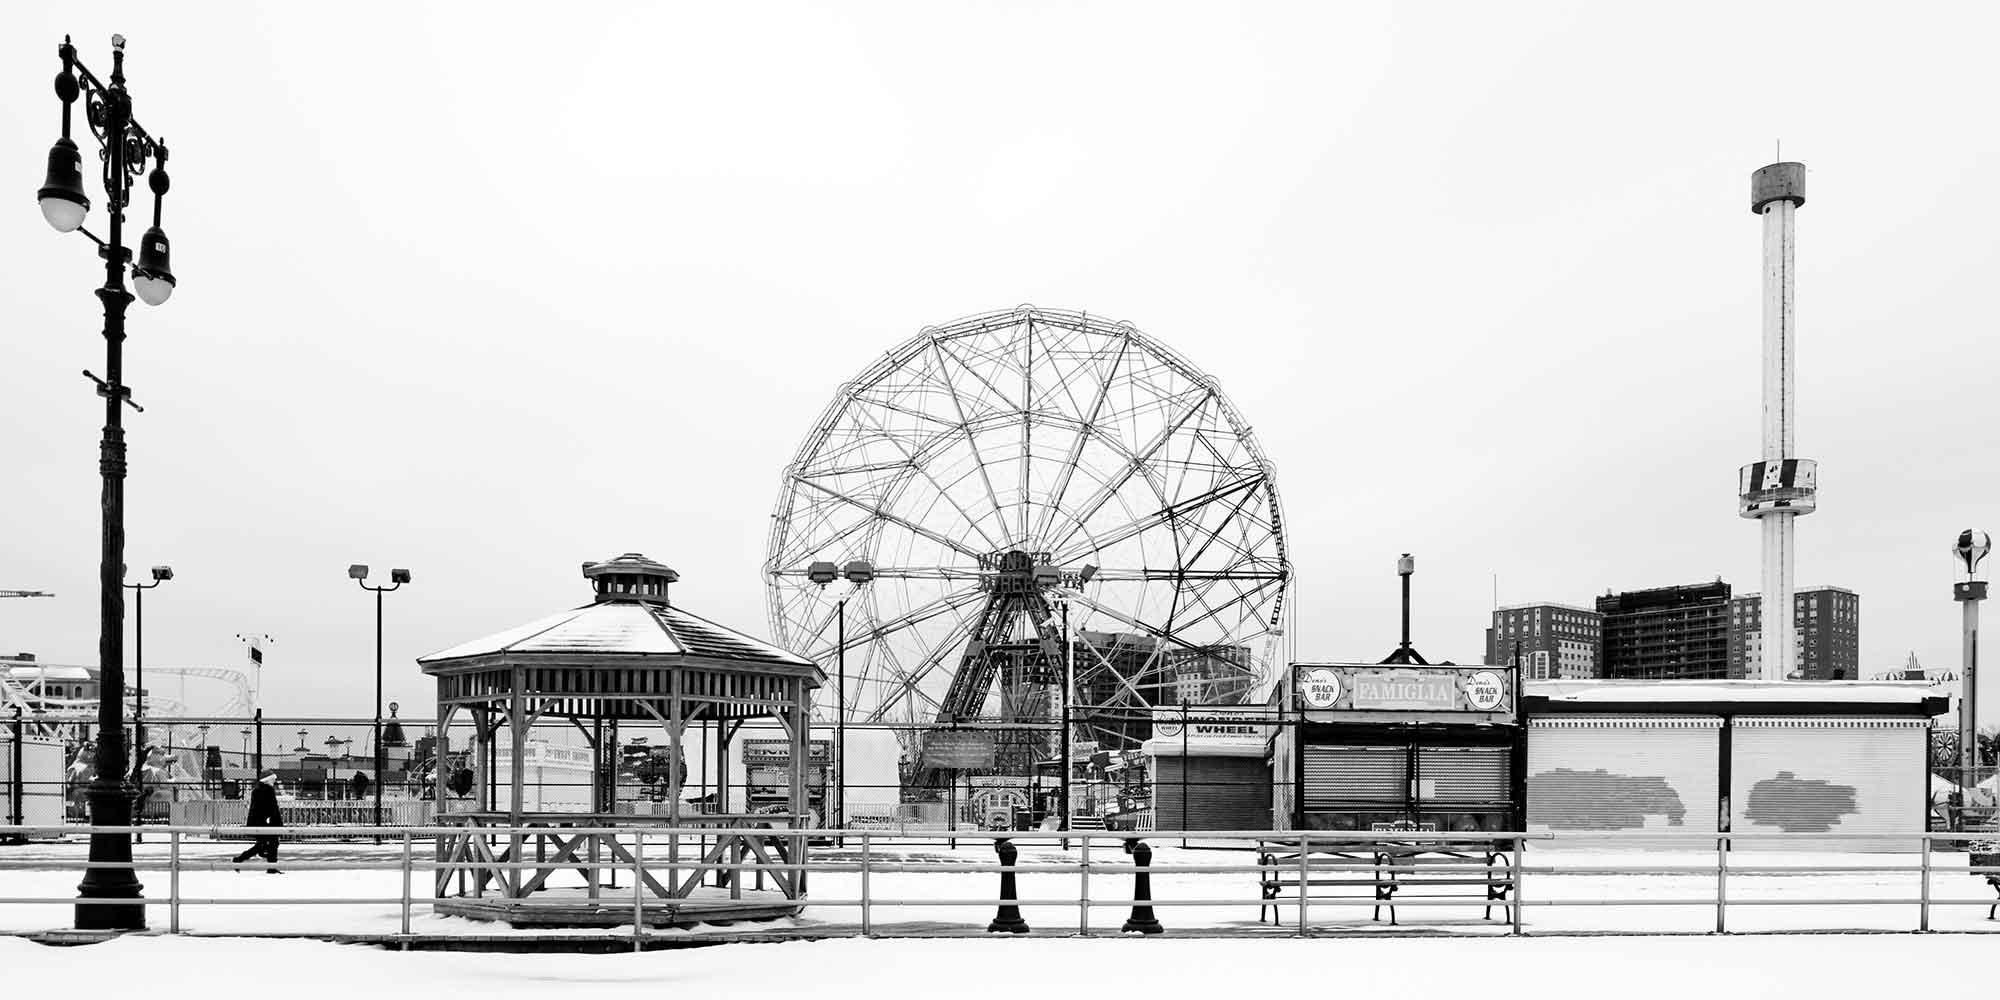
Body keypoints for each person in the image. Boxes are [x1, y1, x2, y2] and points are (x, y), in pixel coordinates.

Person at [232, 770, 283, 873]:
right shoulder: (268, 790)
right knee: (271, 842)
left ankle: (240, 859)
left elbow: (262, 808)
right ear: (268, 780)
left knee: (264, 843)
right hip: (265, 822)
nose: (274, 781)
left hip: (257, 822)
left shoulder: (257, 790)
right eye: (273, 779)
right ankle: (270, 866)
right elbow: (273, 808)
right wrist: (277, 823)